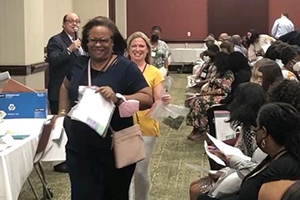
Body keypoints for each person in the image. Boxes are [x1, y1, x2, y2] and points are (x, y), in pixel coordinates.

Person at [59, 16, 153, 200]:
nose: (98, 45)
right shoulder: (79, 64)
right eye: (93, 40)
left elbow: (147, 97)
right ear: (86, 41)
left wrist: (119, 97)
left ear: (113, 42)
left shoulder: (125, 67)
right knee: (81, 194)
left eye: (104, 40)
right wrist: (62, 113)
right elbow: (64, 85)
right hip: (79, 147)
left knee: (112, 195)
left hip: (113, 148)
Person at [198, 102, 300, 200]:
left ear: (264, 132)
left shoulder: (284, 169)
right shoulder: (277, 156)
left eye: (257, 127)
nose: (255, 131)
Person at [126, 31, 171, 200]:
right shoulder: (121, 68)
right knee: (124, 170)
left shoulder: (154, 72)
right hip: (123, 126)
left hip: (146, 126)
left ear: (147, 50)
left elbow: (158, 98)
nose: (137, 49)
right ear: (128, 48)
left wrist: (163, 100)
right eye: (134, 46)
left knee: (140, 170)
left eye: (141, 46)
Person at [46, 12, 84, 173]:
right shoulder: (56, 40)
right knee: (62, 126)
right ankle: (62, 161)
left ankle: (74, 157)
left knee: (75, 125)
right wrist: (69, 49)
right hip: (58, 89)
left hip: (75, 90)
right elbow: (53, 61)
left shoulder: (80, 42)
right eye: (70, 21)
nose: (74, 24)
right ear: (63, 24)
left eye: (77, 21)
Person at [186, 52, 234, 140]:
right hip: (212, 93)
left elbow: (224, 90)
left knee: (201, 101)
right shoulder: (219, 73)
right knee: (195, 100)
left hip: (222, 96)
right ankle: (196, 127)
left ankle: (201, 128)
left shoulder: (228, 74)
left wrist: (208, 93)